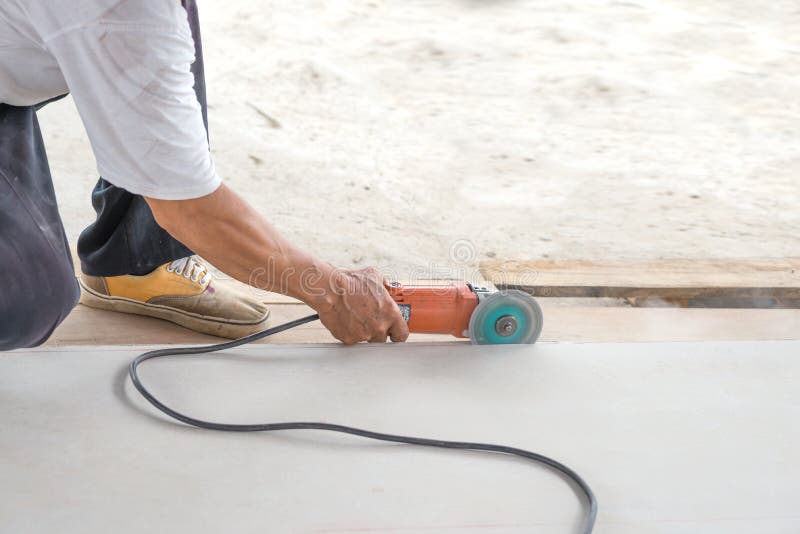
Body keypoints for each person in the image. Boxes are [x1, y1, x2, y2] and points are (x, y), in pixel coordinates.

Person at [0, 0, 409, 350]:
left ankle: (136, 264)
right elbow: (190, 210)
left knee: (160, 28)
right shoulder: (123, 12)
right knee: (27, 298)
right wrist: (331, 291)